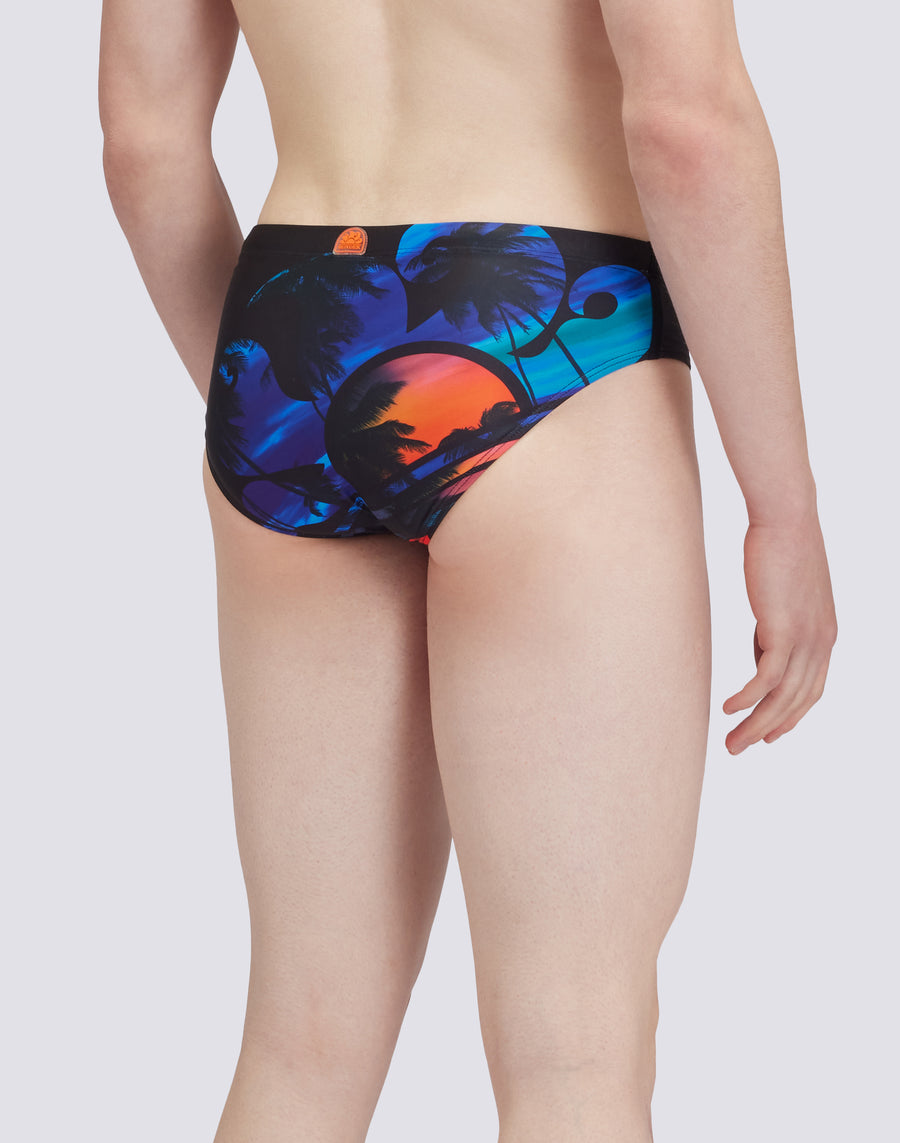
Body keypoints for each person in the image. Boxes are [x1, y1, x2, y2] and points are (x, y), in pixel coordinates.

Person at [98, 0, 838, 1139]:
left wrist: (283, 424)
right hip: (544, 330)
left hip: (290, 334)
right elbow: (687, 123)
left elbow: (144, 138)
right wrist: (782, 508)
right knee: (573, 1048)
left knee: (303, 1037)